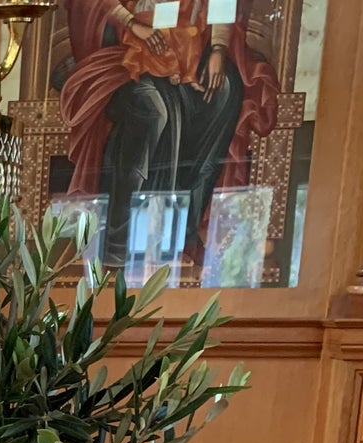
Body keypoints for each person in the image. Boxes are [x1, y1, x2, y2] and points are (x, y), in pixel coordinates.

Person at [59, 0, 278, 269]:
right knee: (157, 112)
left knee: (225, 92)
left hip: (187, 49)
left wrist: (219, 48)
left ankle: (186, 227)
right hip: (121, 53)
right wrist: (131, 22)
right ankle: (122, 241)